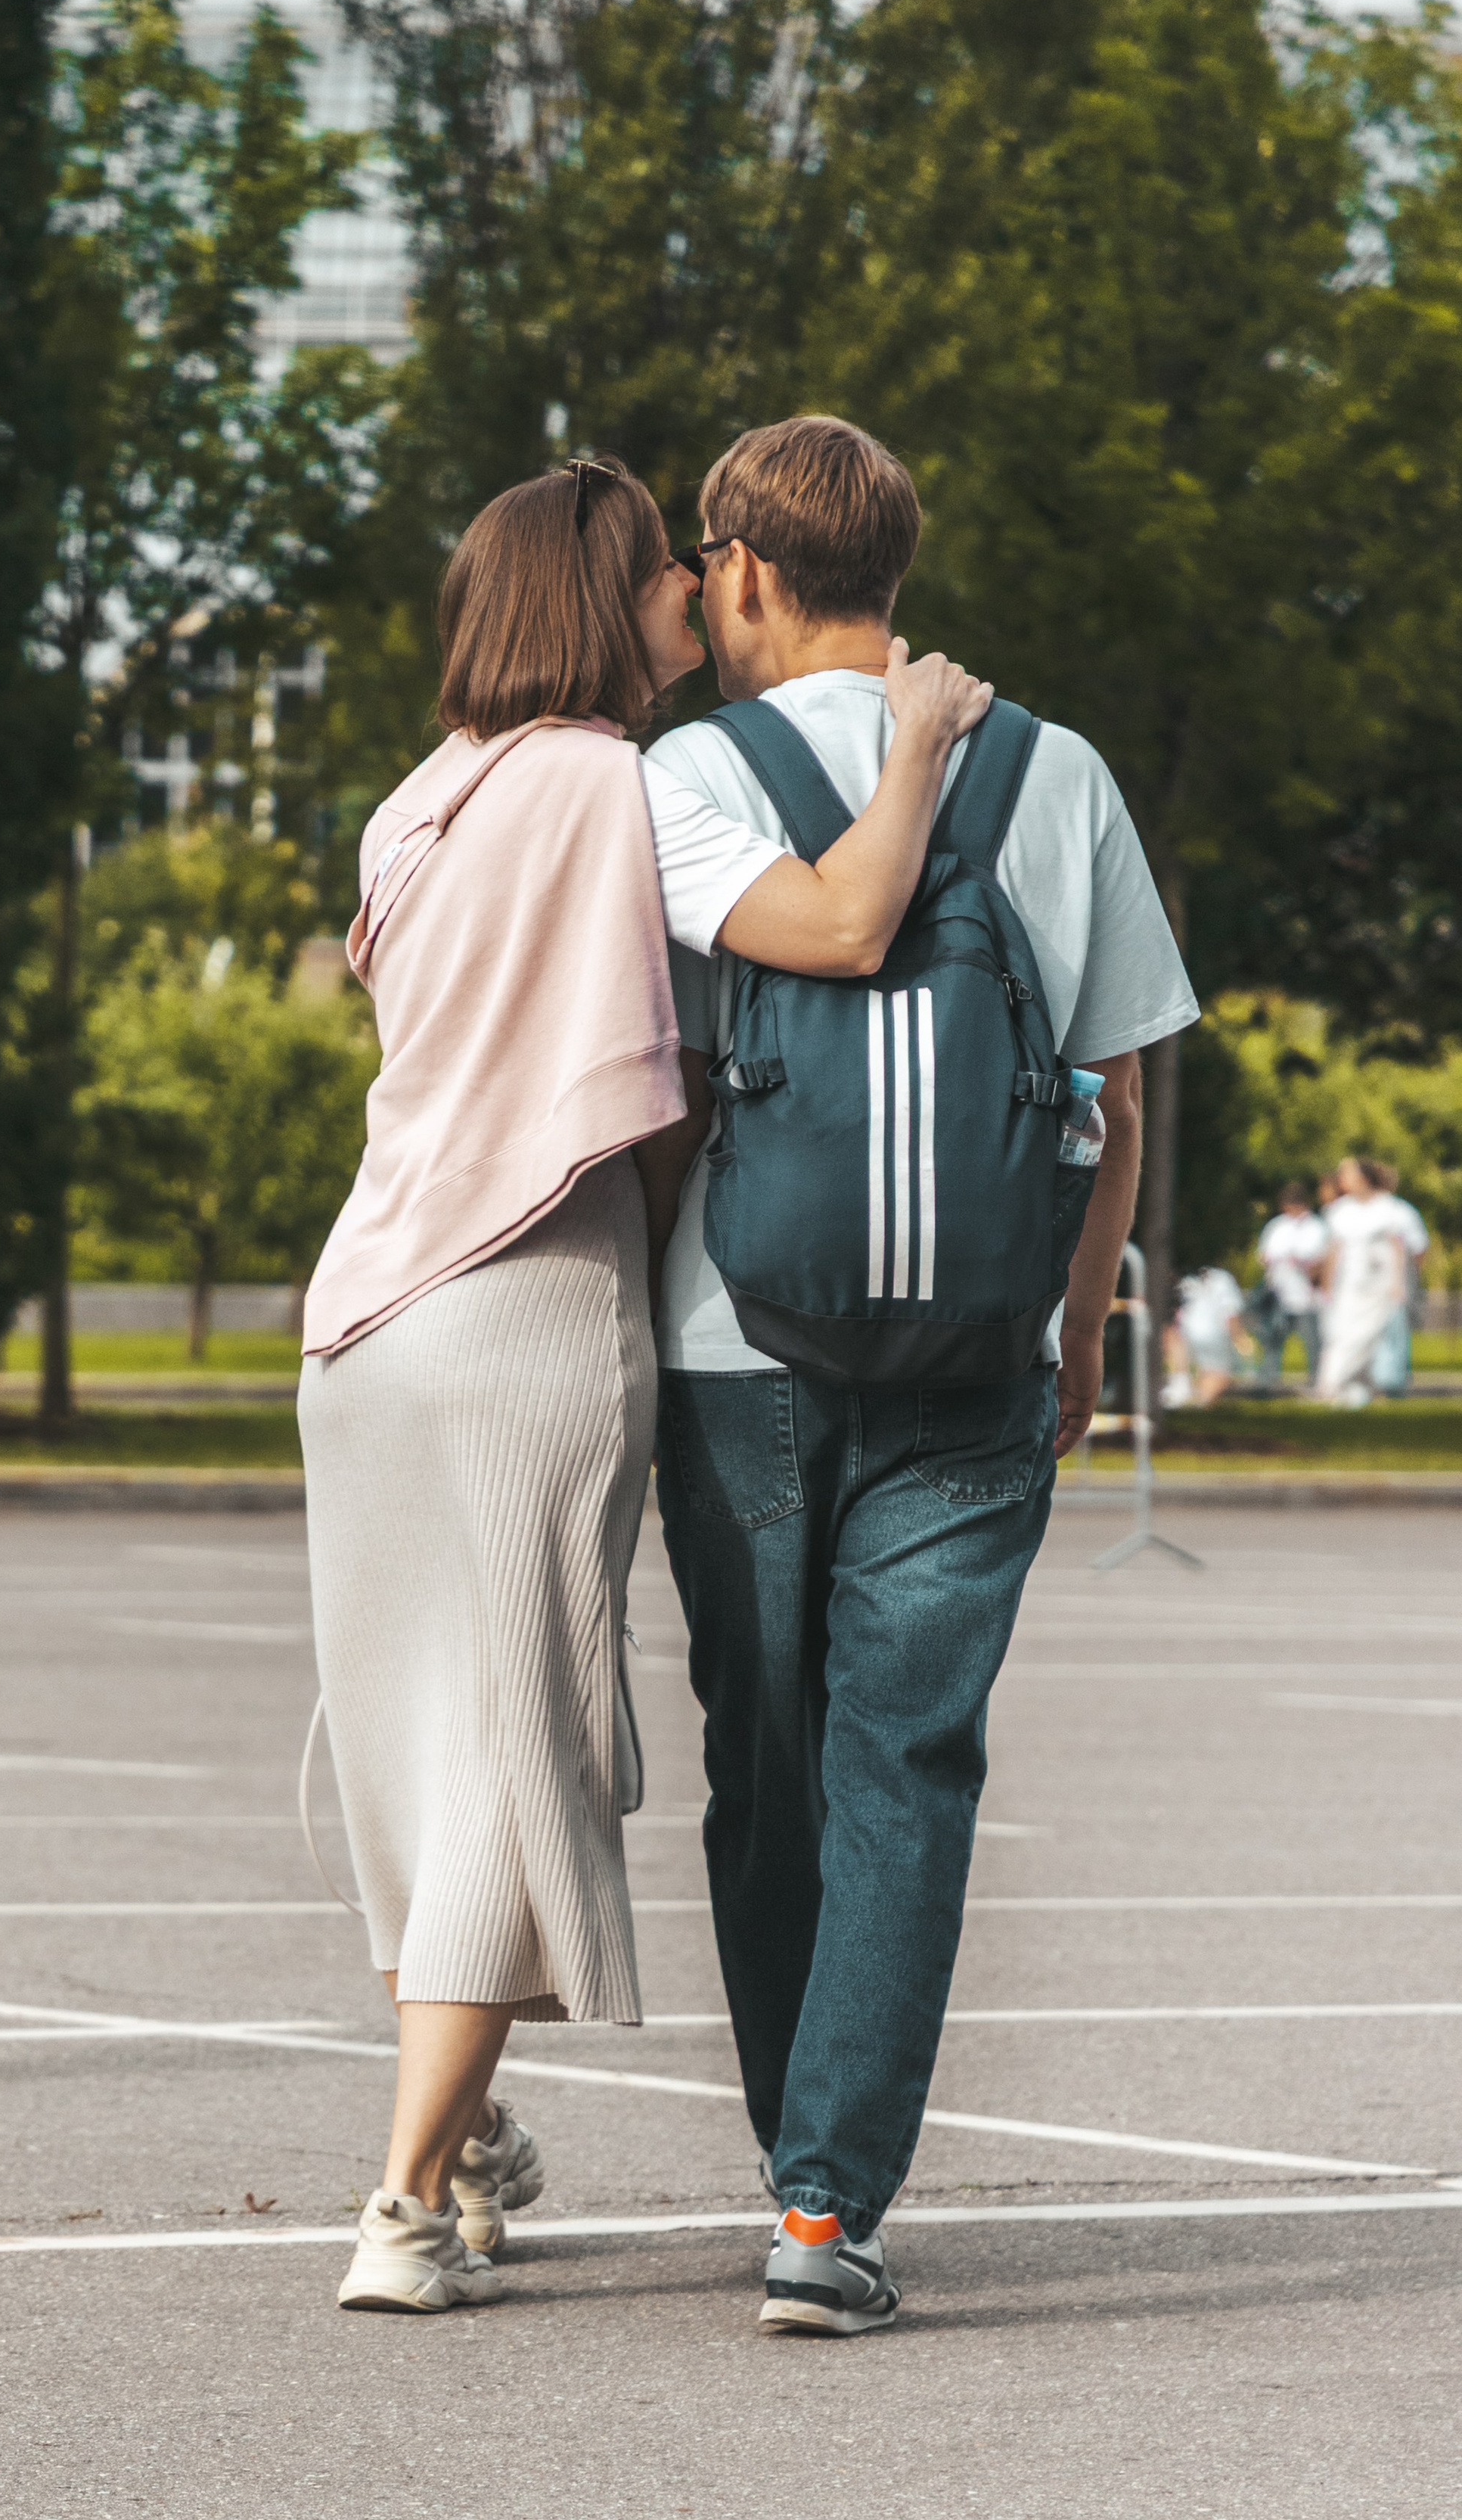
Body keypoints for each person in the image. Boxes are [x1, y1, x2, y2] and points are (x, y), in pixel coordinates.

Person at [299, 451, 991, 2316]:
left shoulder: (415, 800)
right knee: (520, 1746)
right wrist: (914, 740)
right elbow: (838, 927)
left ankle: (467, 2138)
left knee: (425, 1750)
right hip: (525, 1310)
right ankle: (399, 2201)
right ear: (607, 601)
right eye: (665, 575)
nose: (698, 588)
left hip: (361, 1324)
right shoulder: (615, 783)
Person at [635, 412, 1199, 2337]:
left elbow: (663, 1085)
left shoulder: (688, 774)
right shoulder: (1055, 767)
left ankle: (789, 2140)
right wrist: (1072, 1326)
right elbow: (1113, 1090)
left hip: (736, 1344)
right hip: (978, 1350)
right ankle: (824, 2206)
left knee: (762, 1760)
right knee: (906, 1763)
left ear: (740, 570)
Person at [1318, 1156, 1411, 1406]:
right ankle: (1336, 1385)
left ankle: (1351, 1386)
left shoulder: (1388, 1208)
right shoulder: (1340, 1211)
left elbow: (1397, 1246)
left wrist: (1398, 1283)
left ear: (1363, 1178)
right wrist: (1327, 1285)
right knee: (1342, 1334)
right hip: (1349, 1287)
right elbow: (1333, 1251)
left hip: (1379, 1286)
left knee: (1368, 1337)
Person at [1252, 1184, 1327, 1385]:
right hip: (1279, 1294)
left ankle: (1318, 1381)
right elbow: (1264, 1256)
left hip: (1307, 1296)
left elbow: (1321, 1260)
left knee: (1313, 1342)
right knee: (1272, 1340)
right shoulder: (1277, 1226)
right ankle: (1266, 1382)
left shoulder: (1316, 1227)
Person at [1367, 1162, 1428, 1398]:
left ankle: (1388, 1382)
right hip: (1387, 1280)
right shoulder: (1403, 1211)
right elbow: (1420, 1248)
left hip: (1389, 1281)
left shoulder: (1393, 1212)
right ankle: (1390, 1379)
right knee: (1393, 1332)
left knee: (1388, 1330)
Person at [1164, 1264, 1249, 1406]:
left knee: (1197, 1369)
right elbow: (1230, 1312)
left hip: (1185, 1330)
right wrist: (1239, 1337)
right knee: (1216, 1372)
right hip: (1213, 1332)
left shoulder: (1186, 1277)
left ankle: (1181, 1389)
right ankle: (1201, 1404)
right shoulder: (1223, 1278)